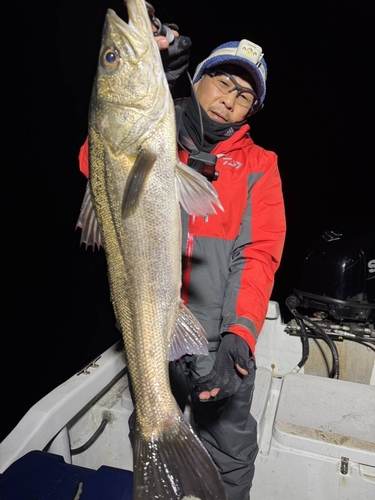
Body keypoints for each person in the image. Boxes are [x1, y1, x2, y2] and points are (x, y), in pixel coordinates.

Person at [78, 21, 286, 500]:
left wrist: (240, 336)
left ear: (251, 111)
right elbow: (96, 160)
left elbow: (258, 255)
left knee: (232, 448)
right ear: (197, 77)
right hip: (149, 320)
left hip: (216, 334)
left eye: (245, 96)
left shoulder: (260, 165)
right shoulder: (156, 129)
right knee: (148, 420)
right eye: (223, 81)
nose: (230, 98)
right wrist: (163, 80)